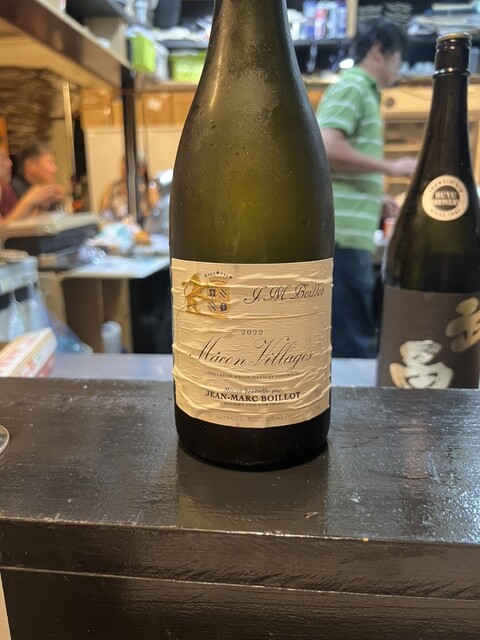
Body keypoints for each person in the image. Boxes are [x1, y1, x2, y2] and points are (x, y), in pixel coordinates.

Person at [316, 18, 417, 359]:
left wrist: (377, 197)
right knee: (352, 341)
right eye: (398, 58)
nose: (399, 69)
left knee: (353, 334)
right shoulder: (354, 86)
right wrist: (391, 167)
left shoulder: (363, 92)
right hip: (341, 238)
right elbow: (325, 147)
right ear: (378, 51)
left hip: (349, 237)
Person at [0, 147, 64, 222]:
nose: (10, 163)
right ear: (31, 165)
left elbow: (24, 223)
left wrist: (43, 204)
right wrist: (29, 200)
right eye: (3, 158)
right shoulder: (16, 188)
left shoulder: (6, 189)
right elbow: (5, 227)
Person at [99, 154, 155, 225]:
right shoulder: (111, 189)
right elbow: (103, 215)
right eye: (124, 163)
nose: (125, 167)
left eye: (131, 163)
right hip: (118, 229)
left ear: (143, 169)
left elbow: (155, 217)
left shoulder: (149, 189)